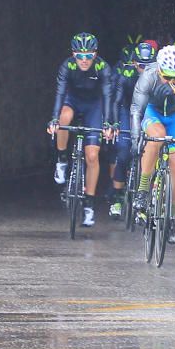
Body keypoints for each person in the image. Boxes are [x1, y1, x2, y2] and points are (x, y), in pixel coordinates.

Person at [47, 32, 115, 228]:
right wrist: (54, 118)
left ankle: (89, 204)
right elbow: (60, 93)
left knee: (92, 156)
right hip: (73, 101)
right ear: (73, 54)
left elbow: (108, 96)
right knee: (64, 117)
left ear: (95, 54)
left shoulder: (103, 68)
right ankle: (61, 159)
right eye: (80, 56)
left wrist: (109, 123)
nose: (84, 61)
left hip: (94, 106)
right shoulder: (67, 66)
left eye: (88, 56)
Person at [131, 45, 175, 243]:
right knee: (156, 137)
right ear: (159, 70)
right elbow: (136, 110)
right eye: (168, 78)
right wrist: (135, 139)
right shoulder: (148, 76)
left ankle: (172, 216)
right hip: (153, 113)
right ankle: (142, 191)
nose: (173, 82)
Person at [109, 42, 155, 219]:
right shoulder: (126, 73)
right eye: (141, 66)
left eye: (149, 65)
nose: (145, 69)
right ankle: (117, 199)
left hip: (149, 112)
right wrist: (113, 124)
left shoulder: (158, 75)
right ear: (134, 64)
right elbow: (117, 101)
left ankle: (149, 199)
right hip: (127, 110)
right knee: (123, 152)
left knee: (152, 153)